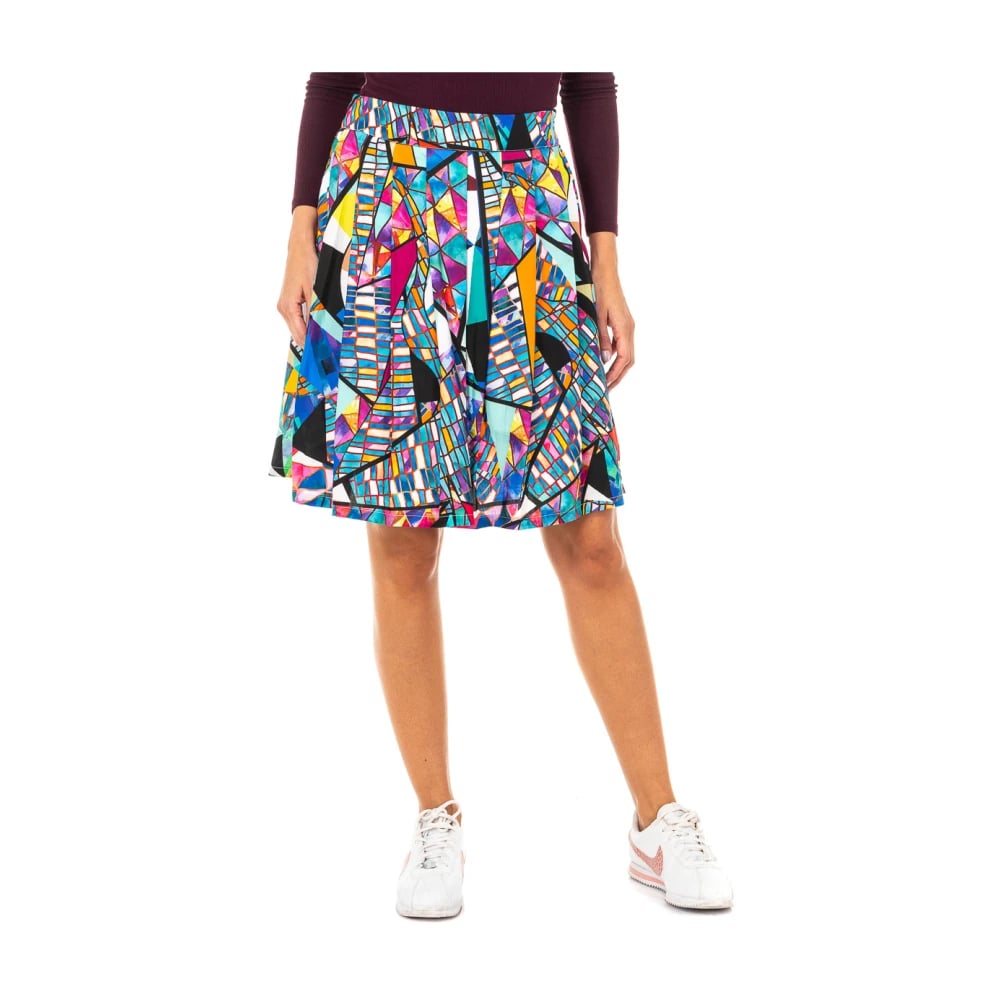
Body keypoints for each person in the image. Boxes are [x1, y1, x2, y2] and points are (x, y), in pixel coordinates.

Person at [270, 72, 733, 917]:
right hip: (385, 189)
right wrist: (301, 229)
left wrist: (607, 263)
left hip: (527, 195)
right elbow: (335, 65)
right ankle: (435, 818)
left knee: (590, 537)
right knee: (401, 536)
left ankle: (657, 819)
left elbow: (587, 82)